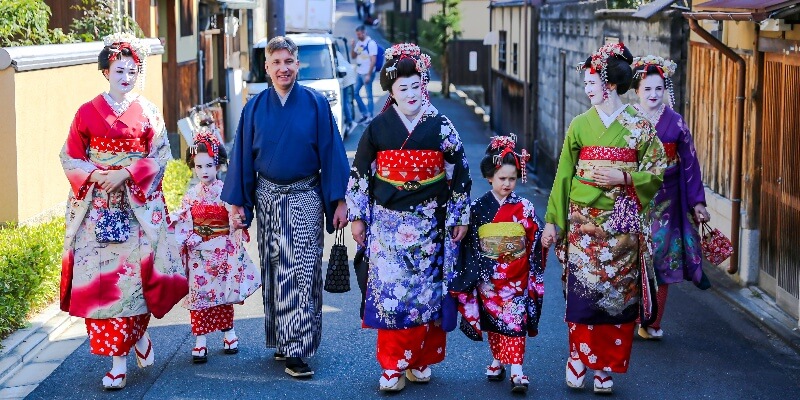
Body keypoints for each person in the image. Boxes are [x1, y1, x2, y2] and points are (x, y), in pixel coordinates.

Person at [59, 32, 186, 390]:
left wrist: (129, 173)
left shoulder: (147, 111)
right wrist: (100, 175)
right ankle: (121, 356)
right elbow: (70, 156)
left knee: (136, 282)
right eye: (119, 70)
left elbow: (160, 154)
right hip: (98, 207)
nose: (126, 77)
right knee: (105, 285)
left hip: (136, 208)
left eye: (132, 71)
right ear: (106, 71)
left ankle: (132, 344)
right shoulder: (86, 112)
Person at [540, 43, 666, 394]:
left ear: (609, 84)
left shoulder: (638, 126)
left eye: (591, 82)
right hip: (582, 224)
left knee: (617, 299)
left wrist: (624, 178)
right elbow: (564, 174)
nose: (587, 89)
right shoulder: (580, 125)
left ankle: (605, 367)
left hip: (621, 226)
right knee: (582, 294)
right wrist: (554, 222)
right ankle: (578, 358)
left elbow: (656, 170)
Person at [346, 43, 472, 392]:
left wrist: (460, 215)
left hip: (431, 222)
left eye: (416, 86)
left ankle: (420, 360)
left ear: (424, 84)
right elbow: (360, 174)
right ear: (391, 91)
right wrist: (358, 216)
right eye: (402, 88)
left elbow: (459, 172)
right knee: (391, 295)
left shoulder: (441, 126)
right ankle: (392, 365)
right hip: (388, 224)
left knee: (427, 294)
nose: (411, 93)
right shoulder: (379, 128)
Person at [222, 36, 349, 379]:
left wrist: (338, 200)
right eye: (276, 62)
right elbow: (243, 161)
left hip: (306, 195)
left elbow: (332, 154)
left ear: (298, 64)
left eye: (289, 62)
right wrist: (240, 207)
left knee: (302, 270)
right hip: (267, 196)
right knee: (275, 268)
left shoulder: (316, 104)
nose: (283, 68)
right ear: (267, 67)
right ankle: (282, 338)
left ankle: (297, 349)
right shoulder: (254, 108)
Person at [450, 134, 545, 394]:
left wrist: (540, 243)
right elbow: (470, 241)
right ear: (490, 177)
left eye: (512, 179)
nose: (507, 184)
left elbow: (533, 238)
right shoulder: (478, 207)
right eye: (502, 178)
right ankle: (497, 360)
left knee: (515, 320)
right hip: (488, 275)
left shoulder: (524, 207)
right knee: (493, 320)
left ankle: (516, 369)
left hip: (516, 275)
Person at [631, 56, 711, 340]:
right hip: (634, 196)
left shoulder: (675, 122)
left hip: (668, 198)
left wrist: (697, 202)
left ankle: (651, 321)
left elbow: (690, 163)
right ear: (636, 91)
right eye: (648, 89)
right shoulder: (627, 121)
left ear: (666, 90)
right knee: (628, 256)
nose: (654, 95)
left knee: (661, 259)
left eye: (659, 89)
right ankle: (630, 315)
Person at [170, 130, 261, 363]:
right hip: (199, 252)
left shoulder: (225, 192)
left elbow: (233, 218)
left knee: (223, 293)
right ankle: (200, 340)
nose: (204, 172)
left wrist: (235, 223)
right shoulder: (191, 195)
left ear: (218, 166)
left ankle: (229, 333)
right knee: (199, 296)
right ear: (193, 167)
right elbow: (184, 221)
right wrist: (188, 234)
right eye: (199, 167)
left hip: (221, 250)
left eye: (209, 166)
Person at [350, 25, 378, 124]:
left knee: (369, 95)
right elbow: (353, 56)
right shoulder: (359, 43)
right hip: (360, 72)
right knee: (355, 93)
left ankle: (370, 116)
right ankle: (364, 114)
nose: (358, 36)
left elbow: (373, 61)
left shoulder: (371, 44)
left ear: (364, 32)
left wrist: (369, 75)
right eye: (357, 34)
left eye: (359, 34)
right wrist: (353, 46)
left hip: (367, 72)